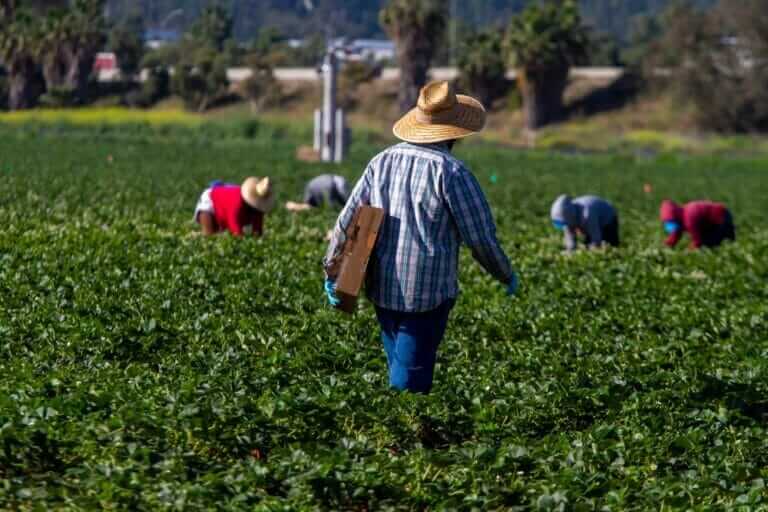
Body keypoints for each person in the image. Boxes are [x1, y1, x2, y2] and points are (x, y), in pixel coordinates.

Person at [322, 81, 519, 394]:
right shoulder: (451, 173)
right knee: (408, 383)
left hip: (382, 287)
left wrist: (332, 270)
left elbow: (347, 220)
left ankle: (401, 432)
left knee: (400, 366)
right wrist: (504, 273)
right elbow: (480, 238)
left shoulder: (381, 161)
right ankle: (404, 435)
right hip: (427, 296)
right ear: (455, 132)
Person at [194, 177, 275, 237]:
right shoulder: (237, 203)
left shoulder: (258, 209)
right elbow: (235, 229)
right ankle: (195, 236)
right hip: (210, 200)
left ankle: (197, 234)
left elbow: (257, 231)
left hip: (223, 206)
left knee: (217, 234)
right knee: (209, 235)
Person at [550, 194, 619, 251]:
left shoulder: (587, 214)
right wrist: (570, 249)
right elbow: (570, 237)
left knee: (610, 243)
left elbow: (596, 237)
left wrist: (594, 248)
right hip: (590, 220)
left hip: (607, 218)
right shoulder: (567, 218)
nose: (563, 226)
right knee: (587, 244)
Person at [660, 199, 735, 249]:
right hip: (711, 223)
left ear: (675, 218)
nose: (669, 225)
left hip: (721, 217)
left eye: (671, 222)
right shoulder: (681, 218)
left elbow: (698, 241)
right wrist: (667, 245)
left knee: (713, 243)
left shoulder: (689, 218)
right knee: (709, 242)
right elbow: (676, 234)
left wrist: (689, 250)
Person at [285, 174, 350, 212]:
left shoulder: (310, 191)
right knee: (347, 205)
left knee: (345, 206)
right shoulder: (310, 186)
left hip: (331, 184)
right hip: (336, 179)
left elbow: (308, 205)